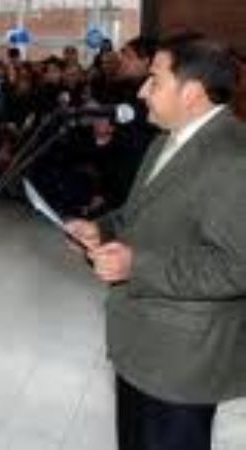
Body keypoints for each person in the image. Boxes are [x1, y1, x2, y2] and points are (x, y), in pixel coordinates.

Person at [66, 35, 246, 450]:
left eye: (155, 80)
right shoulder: (165, 141)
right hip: (139, 346)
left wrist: (136, 266)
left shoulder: (234, 157)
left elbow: (236, 267)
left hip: (181, 363)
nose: (143, 91)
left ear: (192, 92)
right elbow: (138, 215)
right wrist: (102, 230)